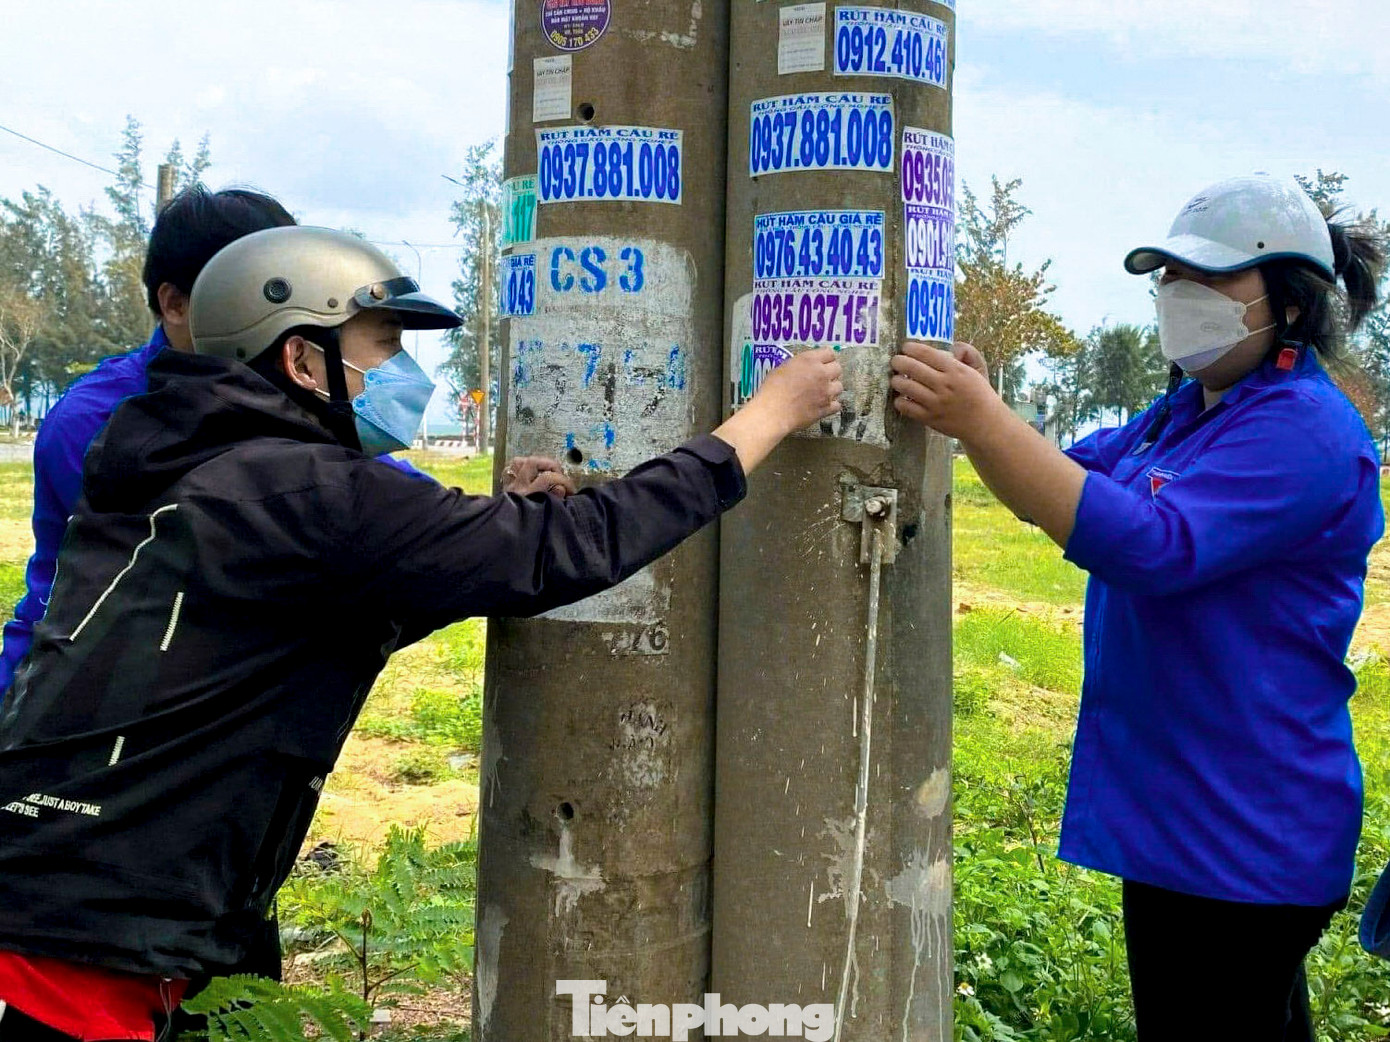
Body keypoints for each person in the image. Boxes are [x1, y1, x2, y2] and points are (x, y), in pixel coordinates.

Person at [0, 225, 842, 1039]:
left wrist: (487, 531)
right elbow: (571, 549)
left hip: (58, 886)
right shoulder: (308, 492)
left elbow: (317, 610)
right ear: (300, 358)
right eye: (381, 346)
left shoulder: (178, 459)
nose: (403, 372)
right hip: (76, 950)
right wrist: (763, 418)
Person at [890, 174, 1386, 1040]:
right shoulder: (1185, 413)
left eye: (1210, 280)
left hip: (1241, 833)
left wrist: (984, 422)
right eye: (1169, 277)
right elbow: (1068, 479)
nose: (1178, 297)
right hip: (1189, 817)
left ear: (1292, 306)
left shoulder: (1304, 429)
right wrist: (991, 414)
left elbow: (1151, 545)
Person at [0, 186, 296, 701]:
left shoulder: (287, 390)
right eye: (258, 295)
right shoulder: (96, 420)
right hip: (70, 694)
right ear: (176, 303)